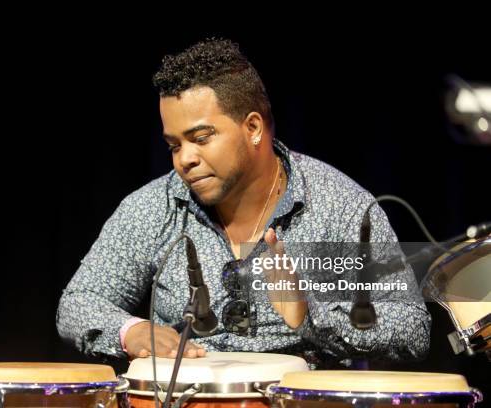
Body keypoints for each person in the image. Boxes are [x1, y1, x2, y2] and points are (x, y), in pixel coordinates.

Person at [56, 38, 431, 367]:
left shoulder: (338, 206)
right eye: (174, 145)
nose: (183, 159)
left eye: (201, 138)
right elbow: (79, 301)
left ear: (252, 128)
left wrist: (310, 316)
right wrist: (130, 330)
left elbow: (411, 328)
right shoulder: (155, 208)